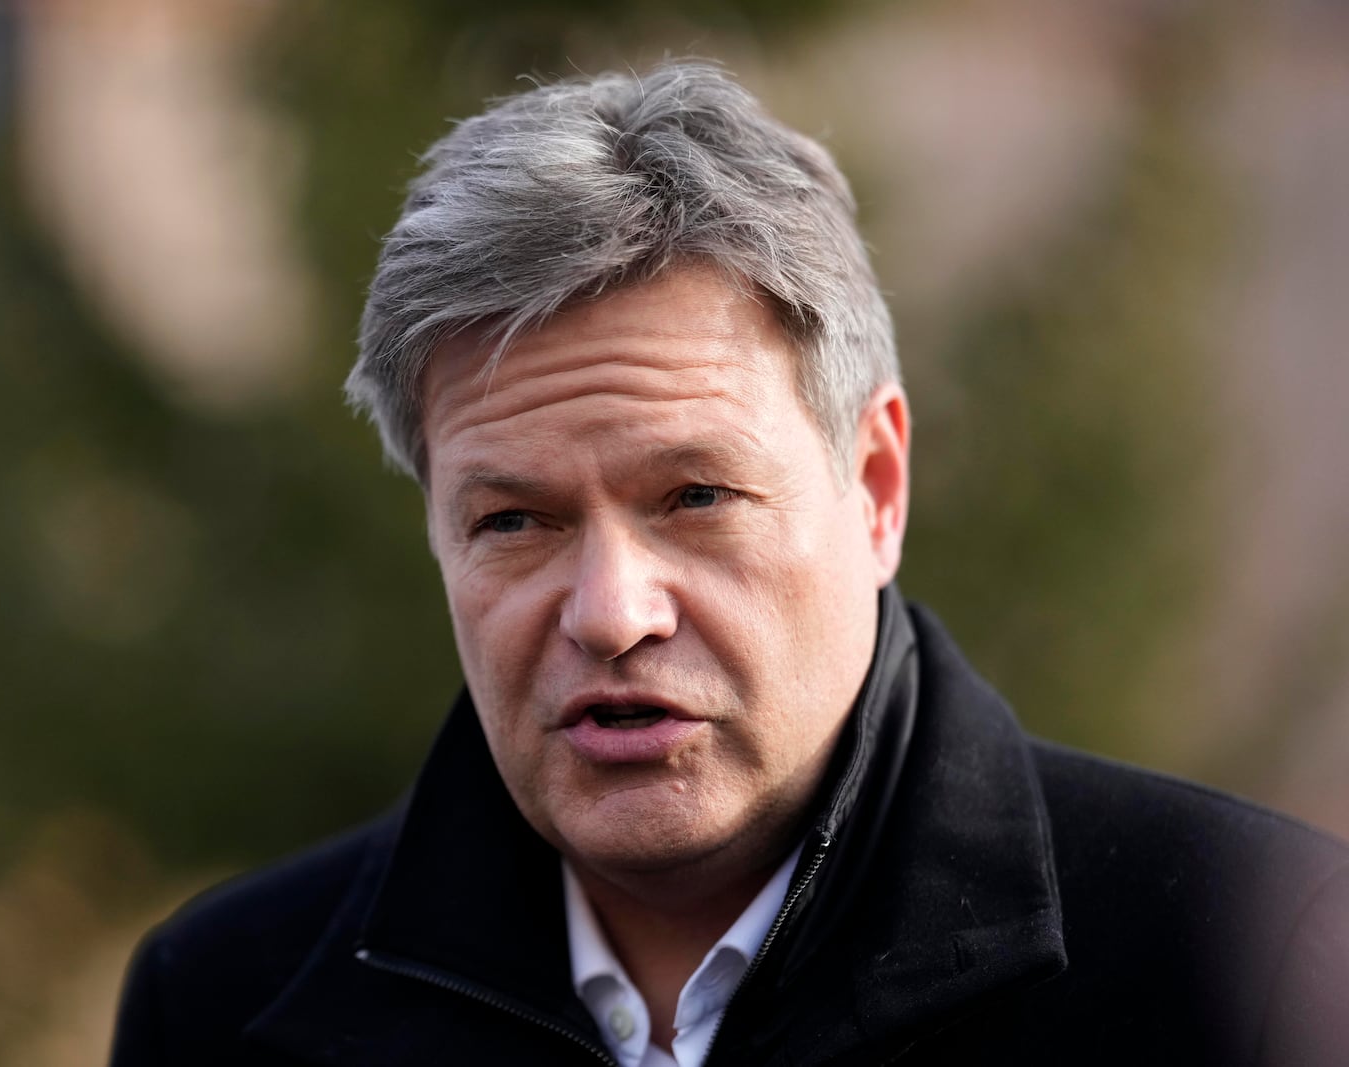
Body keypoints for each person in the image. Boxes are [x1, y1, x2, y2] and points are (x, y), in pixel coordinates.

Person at [109, 63, 1348, 1066]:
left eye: (695, 496)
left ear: (874, 486)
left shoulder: (1243, 963)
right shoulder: (226, 1003)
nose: (610, 613)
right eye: (513, 521)